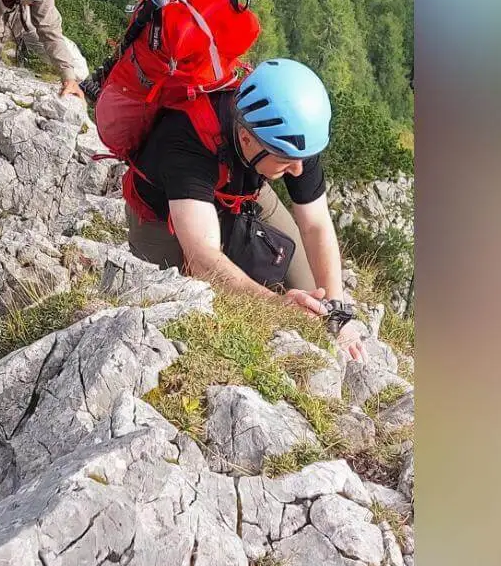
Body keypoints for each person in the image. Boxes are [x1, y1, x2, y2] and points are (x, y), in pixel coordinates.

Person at [124, 58, 369, 361]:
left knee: (312, 297)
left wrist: (337, 312)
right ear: (246, 138)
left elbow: (316, 225)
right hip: (163, 213)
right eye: (285, 160)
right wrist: (276, 305)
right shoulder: (187, 137)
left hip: (239, 191)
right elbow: (202, 258)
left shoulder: (294, 137)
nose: (298, 170)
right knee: (184, 300)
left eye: (302, 159)